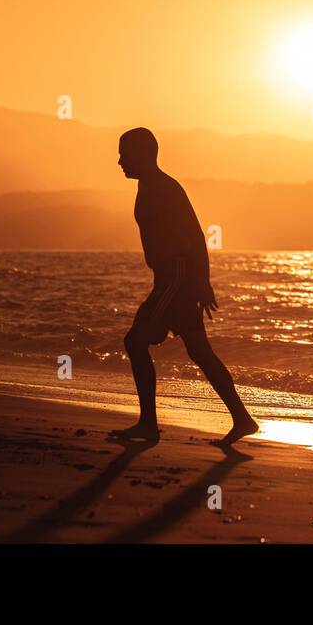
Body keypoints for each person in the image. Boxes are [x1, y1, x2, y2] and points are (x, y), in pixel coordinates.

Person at [112, 127, 258, 446]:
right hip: (168, 279)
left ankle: (149, 425)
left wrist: (202, 283)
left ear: (144, 153)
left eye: (125, 153)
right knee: (199, 351)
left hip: (176, 279)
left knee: (136, 342)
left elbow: (196, 236)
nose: (120, 160)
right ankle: (242, 419)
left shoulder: (164, 188)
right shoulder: (148, 186)